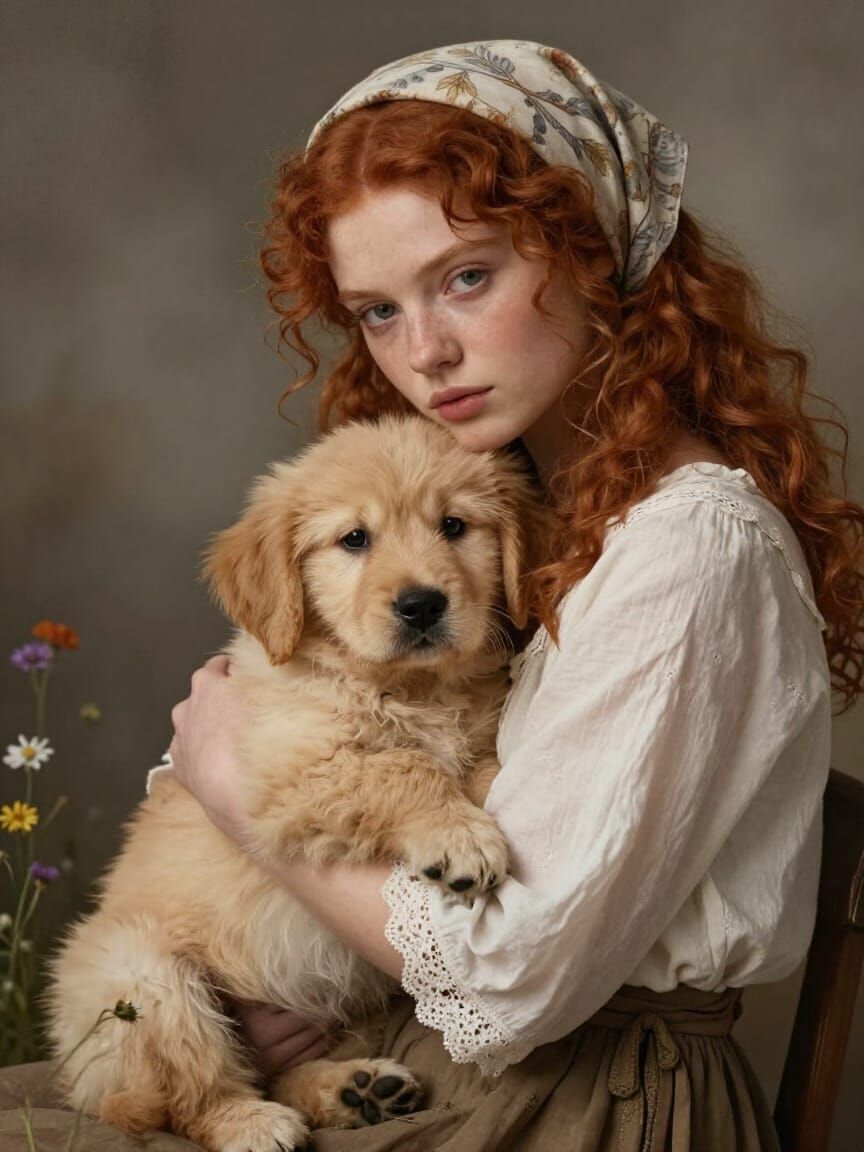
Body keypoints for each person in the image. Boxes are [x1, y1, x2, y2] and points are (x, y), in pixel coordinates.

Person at [4, 38, 858, 1152]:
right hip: (420, 1045)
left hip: (586, 1105)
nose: (428, 353)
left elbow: (515, 977)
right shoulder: (546, 507)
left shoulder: (692, 550)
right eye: (377, 311)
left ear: (591, 254)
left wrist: (226, 779)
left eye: (467, 277)